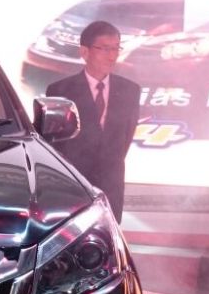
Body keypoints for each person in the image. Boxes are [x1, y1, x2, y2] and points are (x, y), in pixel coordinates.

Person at [44, 20, 142, 219]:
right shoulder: (60, 90)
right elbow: (52, 144)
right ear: (84, 52)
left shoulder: (130, 91)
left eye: (116, 48)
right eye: (104, 48)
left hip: (111, 186)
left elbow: (125, 139)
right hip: (73, 185)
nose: (112, 56)